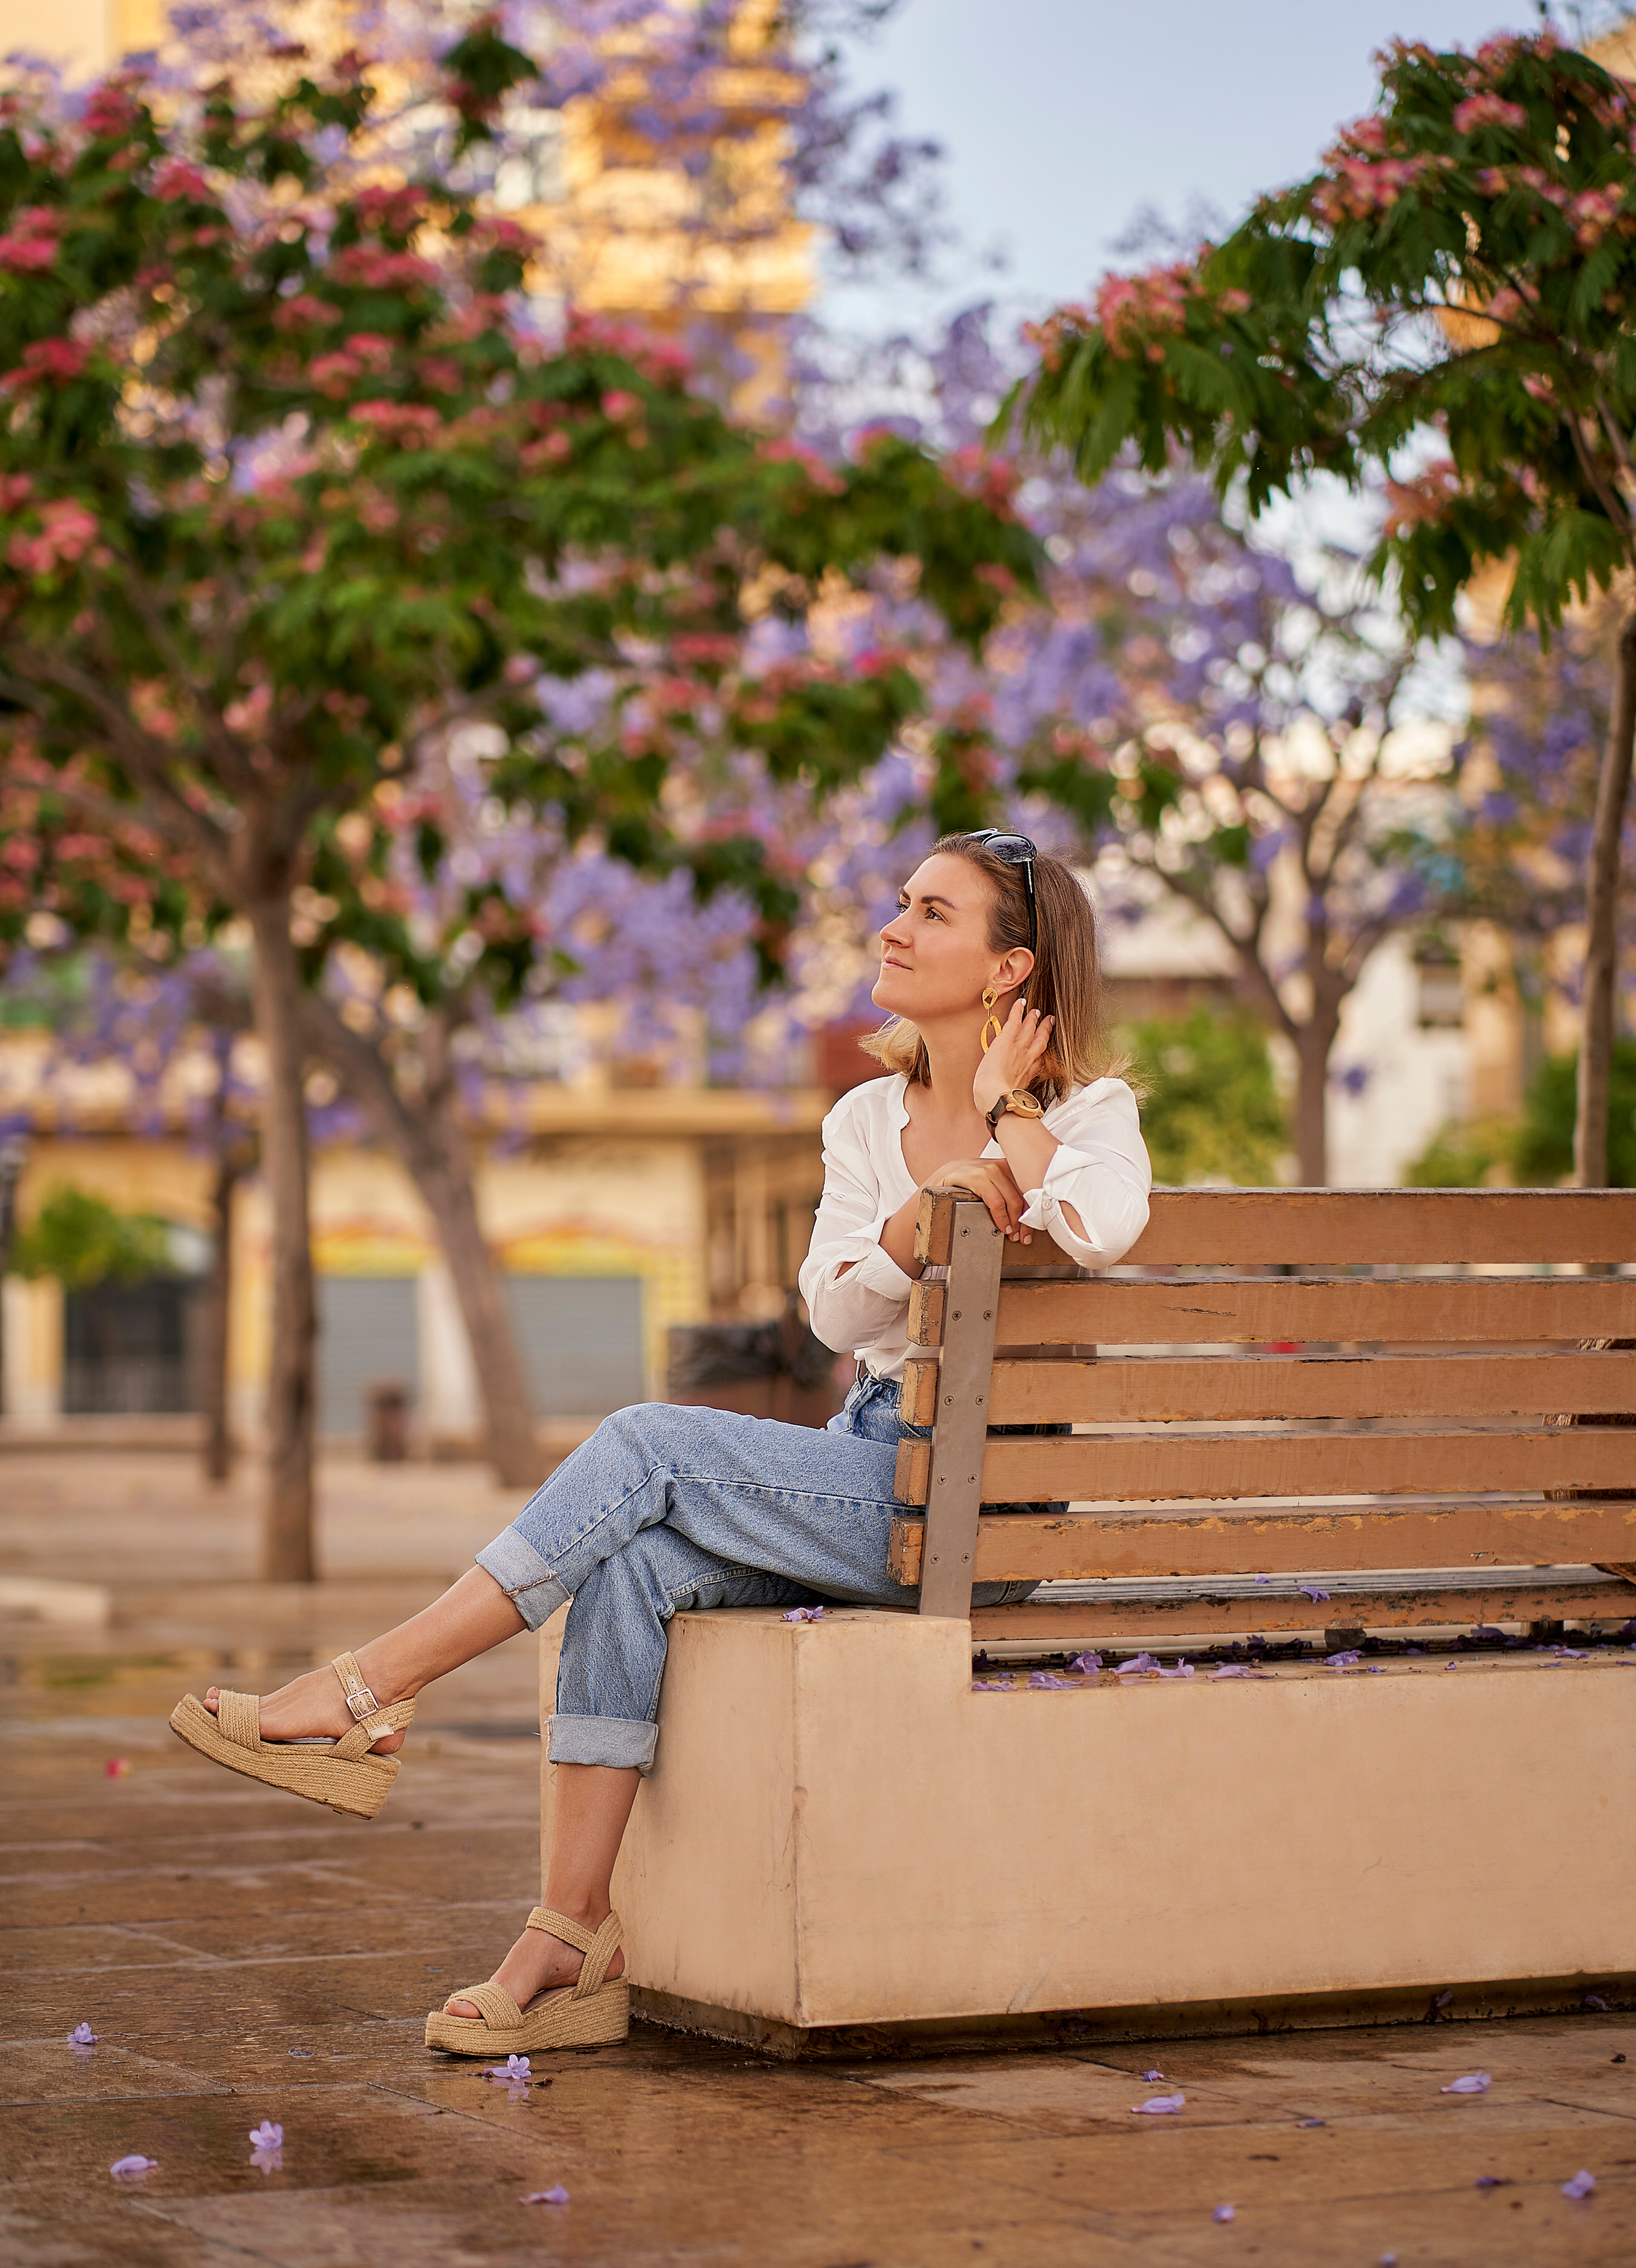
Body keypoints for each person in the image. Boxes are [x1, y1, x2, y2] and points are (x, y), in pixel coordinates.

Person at [169, 830, 1151, 2055]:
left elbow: (1101, 1228)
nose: (892, 927)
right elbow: (835, 1313)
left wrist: (1007, 1114)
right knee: (631, 1569)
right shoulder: (865, 1120)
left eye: (932, 913)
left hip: (987, 1507)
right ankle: (570, 1939)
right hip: (877, 1460)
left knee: (648, 1447)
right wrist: (918, 1217)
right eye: (901, 903)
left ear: (1010, 970)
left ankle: (370, 1688)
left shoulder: (1089, 1114)